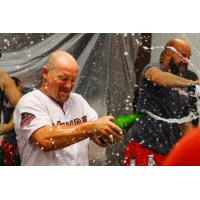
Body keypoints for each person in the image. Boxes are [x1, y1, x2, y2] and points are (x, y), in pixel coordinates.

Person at [13, 51, 122, 166]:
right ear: (46, 73)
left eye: (73, 80)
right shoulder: (29, 102)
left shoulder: (78, 101)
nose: (69, 86)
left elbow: (95, 136)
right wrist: (92, 127)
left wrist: (107, 135)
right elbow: (45, 140)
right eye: (63, 79)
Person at [124, 38, 200, 166]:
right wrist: (192, 85)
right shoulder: (153, 68)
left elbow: (185, 123)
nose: (186, 61)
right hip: (144, 148)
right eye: (183, 56)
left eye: (189, 57)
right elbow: (157, 77)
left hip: (167, 154)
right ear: (168, 54)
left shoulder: (182, 85)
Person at [0, 77, 31, 165]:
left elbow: (21, 113)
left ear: (20, 85)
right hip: (9, 139)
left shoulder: (29, 95)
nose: (9, 93)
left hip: (26, 140)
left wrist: (7, 127)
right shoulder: (3, 95)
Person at [0, 71, 22, 165]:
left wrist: (9, 126)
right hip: (8, 139)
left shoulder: (3, 77)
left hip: (15, 139)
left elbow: (20, 106)